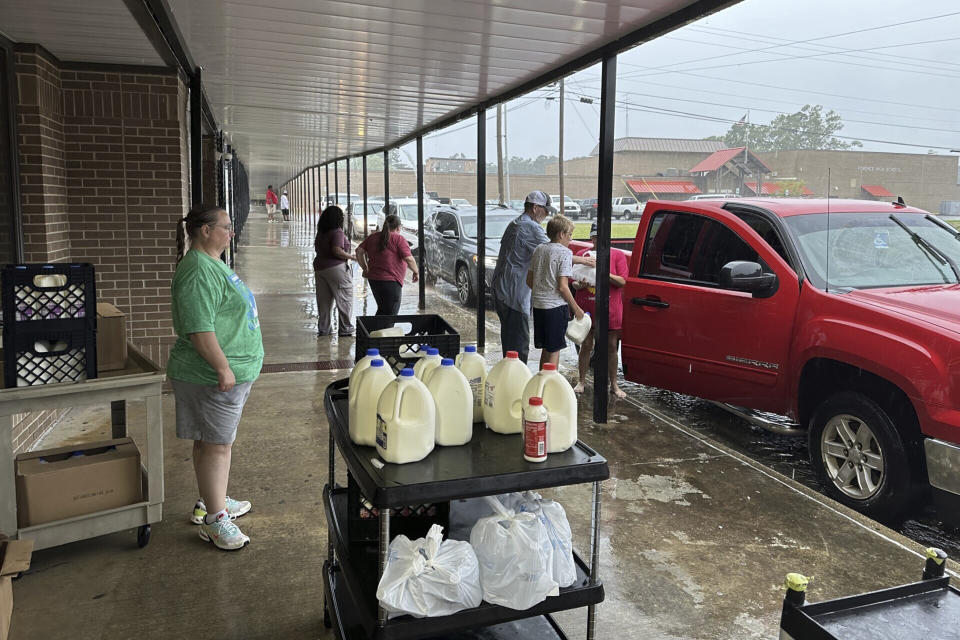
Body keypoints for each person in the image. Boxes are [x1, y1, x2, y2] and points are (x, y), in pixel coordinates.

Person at [169, 204, 263, 551]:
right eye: (226, 226)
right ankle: (215, 520)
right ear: (205, 230)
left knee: (210, 442)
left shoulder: (210, 264)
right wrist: (223, 367)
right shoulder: (196, 270)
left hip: (222, 374)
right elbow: (199, 328)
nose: (231, 232)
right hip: (210, 375)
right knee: (218, 446)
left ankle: (212, 500)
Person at [491, 191, 594, 363]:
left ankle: (511, 377)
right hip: (513, 294)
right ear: (535, 207)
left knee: (511, 341)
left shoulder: (515, 223)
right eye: (545, 210)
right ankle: (518, 384)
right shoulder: (530, 227)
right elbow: (556, 251)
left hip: (503, 289)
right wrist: (584, 260)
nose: (547, 215)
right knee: (519, 345)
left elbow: (534, 275)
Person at [572, 222, 629, 398]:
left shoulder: (617, 255)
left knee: (612, 346)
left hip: (610, 309)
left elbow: (622, 281)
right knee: (586, 345)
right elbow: (571, 282)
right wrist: (579, 284)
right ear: (592, 238)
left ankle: (614, 384)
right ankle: (581, 381)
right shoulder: (583, 255)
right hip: (587, 308)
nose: (599, 240)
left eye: (602, 237)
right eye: (596, 237)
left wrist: (604, 273)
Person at [526, 215, 585, 370]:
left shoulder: (539, 249)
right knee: (554, 351)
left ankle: (541, 385)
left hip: (538, 306)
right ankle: (551, 386)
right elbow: (563, 287)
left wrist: (543, 290)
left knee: (546, 349)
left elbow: (529, 281)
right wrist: (577, 309)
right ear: (561, 234)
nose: (571, 239)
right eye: (570, 235)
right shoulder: (565, 253)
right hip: (555, 308)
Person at [356, 213, 418, 315]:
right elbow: (409, 259)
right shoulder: (399, 239)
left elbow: (359, 251)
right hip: (391, 281)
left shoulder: (373, 237)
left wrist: (365, 268)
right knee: (390, 314)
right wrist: (416, 272)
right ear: (399, 227)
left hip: (374, 280)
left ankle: (374, 330)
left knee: (383, 309)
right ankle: (378, 330)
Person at [314, 205, 356, 336]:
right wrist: (352, 257)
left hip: (320, 268)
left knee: (324, 301)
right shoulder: (337, 232)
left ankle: (324, 329)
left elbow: (317, 249)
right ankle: (345, 328)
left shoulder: (321, 232)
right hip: (336, 269)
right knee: (344, 298)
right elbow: (337, 250)